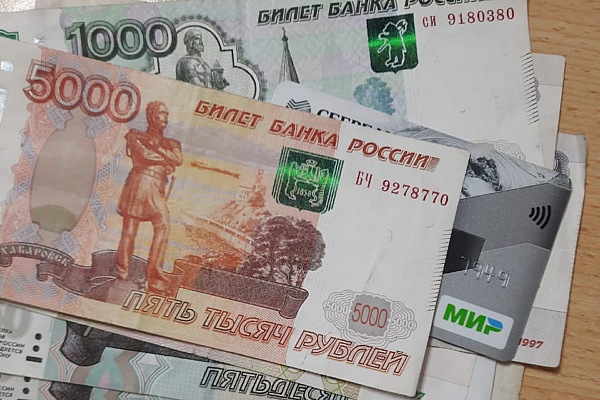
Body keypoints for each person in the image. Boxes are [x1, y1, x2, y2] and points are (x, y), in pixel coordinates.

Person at [116, 101, 183, 293]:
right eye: (162, 113)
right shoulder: (135, 135)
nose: (165, 117)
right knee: (130, 229)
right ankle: (122, 272)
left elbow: (178, 160)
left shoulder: (172, 143)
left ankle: (154, 273)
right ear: (151, 116)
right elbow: (144, 155)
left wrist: (159, 150)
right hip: (139, 183)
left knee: (163, 224)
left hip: (157, 187)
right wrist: (165, 161)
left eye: (167, 113)